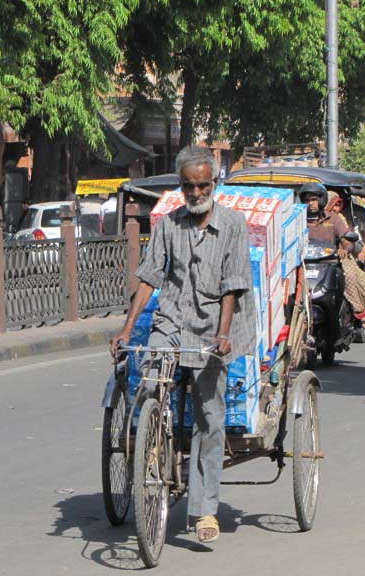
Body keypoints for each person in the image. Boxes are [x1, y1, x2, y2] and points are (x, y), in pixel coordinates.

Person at [110, 146, 257, 544]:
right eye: (188, 186)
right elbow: (148, 279)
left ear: (214, 184)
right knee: (150, 380)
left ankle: (205, 509)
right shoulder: (168, 226)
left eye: (202, 185)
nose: (195, 193)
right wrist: (126, 330)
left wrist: (223, 336)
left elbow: (232, 286)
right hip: (171, 321)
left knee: (210, 418)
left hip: (213, 326)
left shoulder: (232, 225)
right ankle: (153, 447)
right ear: (181, 186)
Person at [302, 184, 365, 328]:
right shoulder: (301, 218)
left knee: (349, 276)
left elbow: (346, 238)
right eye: (307, 200)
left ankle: (360, 313)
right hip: (306, 262)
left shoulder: (334, 219)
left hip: (332, 261)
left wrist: (345, 248)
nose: (310, 203)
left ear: (322, 201)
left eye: (313, 200)